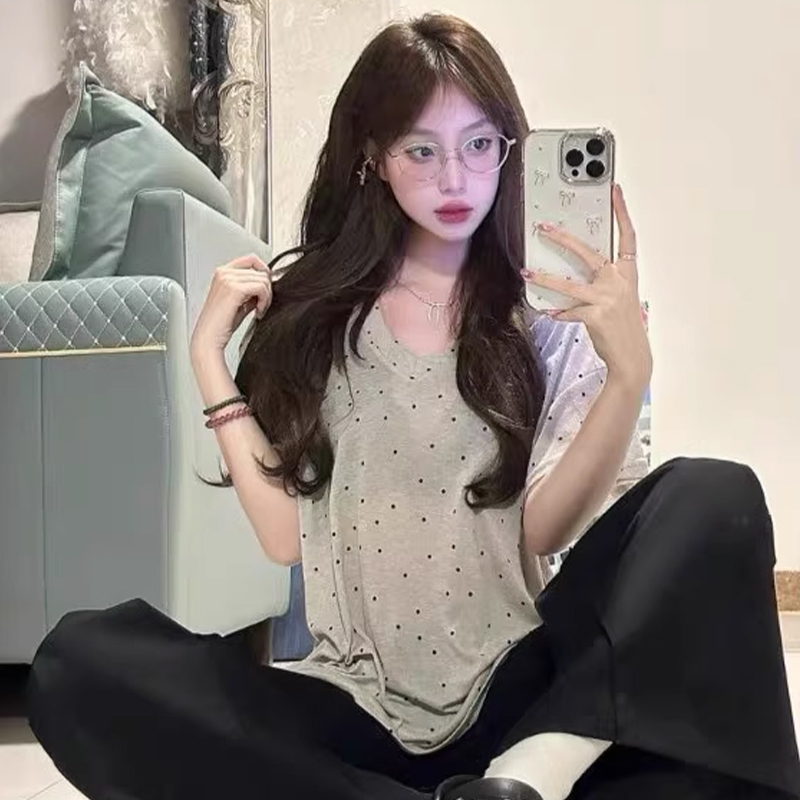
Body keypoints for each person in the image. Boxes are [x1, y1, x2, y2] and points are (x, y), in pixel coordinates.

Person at [25, 12, 800, 800]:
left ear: (509, 148)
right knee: (78, 664)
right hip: (351, 703)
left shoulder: (546, 314)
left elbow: (543, 528)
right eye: (422, 151)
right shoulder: (315, 314)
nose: (455, 180)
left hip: (520, 693)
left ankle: (528, 775)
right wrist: (207, 364)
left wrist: (628, 375)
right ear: (374, 156)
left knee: (718, 495)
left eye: (479, 145)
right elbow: (286, 538)